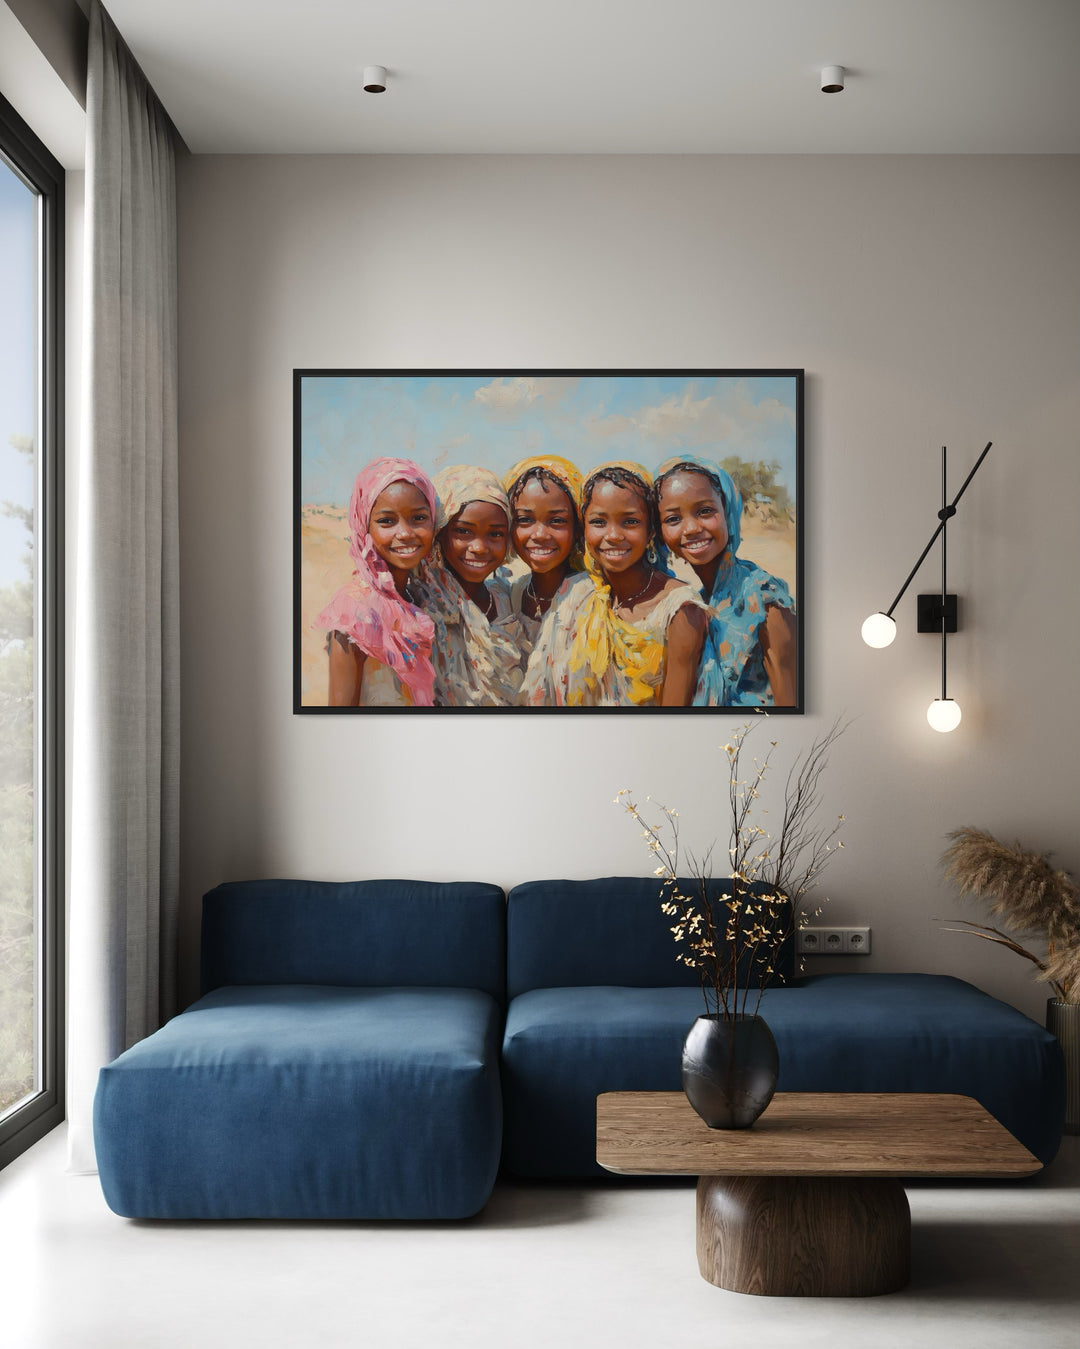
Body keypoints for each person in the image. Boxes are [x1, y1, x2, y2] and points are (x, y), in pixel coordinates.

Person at [521, 461, 707, 707]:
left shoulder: (680, 609)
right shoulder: (574, 594)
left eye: (630, 522)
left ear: (651, 530)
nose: (613, 536)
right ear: (583, 529)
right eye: (599, 522)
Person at [655, 455, 796, 707]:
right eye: (673, 519)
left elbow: (791, 701)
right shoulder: (697, 600)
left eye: (705, 512)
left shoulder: (764, 598)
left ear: (728, 511)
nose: (690, 529)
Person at [317, 457, 438, 707]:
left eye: (418, 518)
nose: (404, 533)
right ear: (364, 527)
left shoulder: (422, 598)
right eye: (387, 521)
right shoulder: (353, 613)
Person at [414, 464, 525, 706]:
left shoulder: (507, 600)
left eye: (495, 534)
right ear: (439, 533)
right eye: (464, 531)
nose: (479, 547)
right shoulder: (420, 606)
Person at [501, 454, 585, 656]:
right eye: (524, 519)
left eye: (556, 520)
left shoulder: (590, 598)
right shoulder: (512, 596)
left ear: (577, 528)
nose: (539, 535)